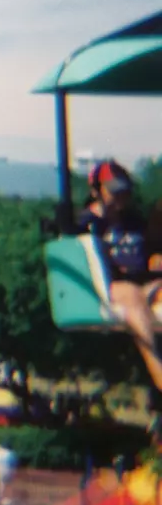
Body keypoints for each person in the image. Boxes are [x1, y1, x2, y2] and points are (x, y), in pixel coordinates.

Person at [78, 161, 162, 396]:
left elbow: (149, 250)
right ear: (96, 191)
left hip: (144, 282)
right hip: (112, 287)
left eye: (123, 190)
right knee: (133, 295)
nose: (121, 196)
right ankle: (158, 371)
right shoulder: (87, 224)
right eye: (114, 190)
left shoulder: (134, 220)